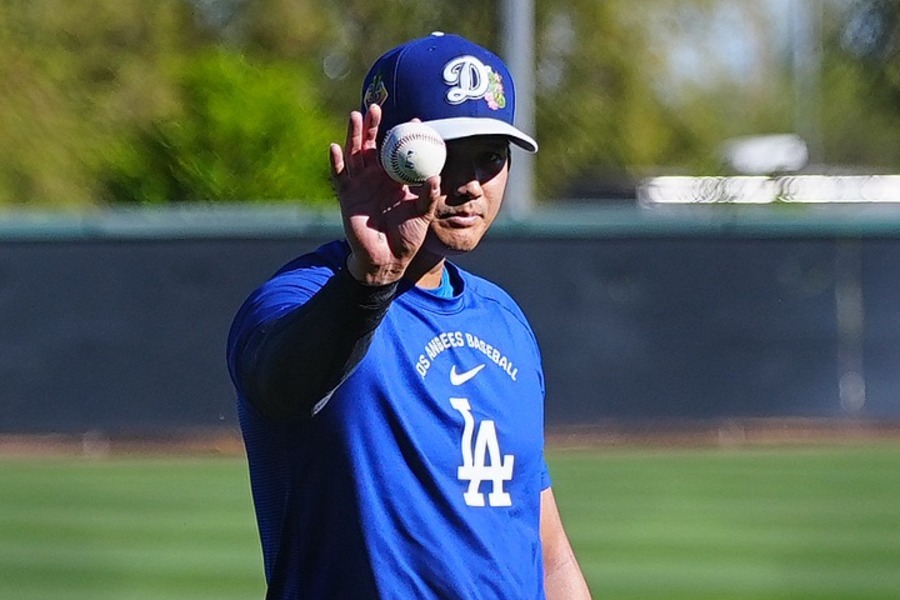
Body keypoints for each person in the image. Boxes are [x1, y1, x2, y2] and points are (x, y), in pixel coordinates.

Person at [227, 31, 591, 599]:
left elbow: (550, 553)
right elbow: (280, 387)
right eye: (446, 156)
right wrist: (370, 280)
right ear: (383, 154)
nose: (470, 184)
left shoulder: (504, 321)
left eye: (491, 157)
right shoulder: (303, 296)